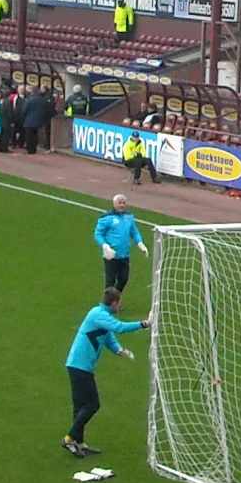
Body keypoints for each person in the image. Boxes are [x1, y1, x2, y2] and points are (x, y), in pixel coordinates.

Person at [63, 285, 148, 458]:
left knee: (80, 406)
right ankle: (69, 438)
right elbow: (119, 327)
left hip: (80, 365)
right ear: (114, 303)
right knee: (92, 404)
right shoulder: (98, 314)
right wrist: (144, 324)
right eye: (119, 303)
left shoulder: (102, 316)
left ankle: (79, 443)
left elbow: (108, 336)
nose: (120, 307)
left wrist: (120, 351)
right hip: (80, 366)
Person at [93, 194, 147, 293]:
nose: (122, 205)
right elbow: (98, 234)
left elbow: (134, 232)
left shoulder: (129, 217)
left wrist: (140, 244)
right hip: (111, 255)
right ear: (114, 204)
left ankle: (114, 298)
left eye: (123, 203)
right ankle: (109, 303)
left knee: (124, 279)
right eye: (119, 203)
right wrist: (105, 246)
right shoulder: (107, 217)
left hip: (124, 255)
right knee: (110, 281)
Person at [18, 86, 53, 154]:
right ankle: (33, 149)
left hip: (29, 121)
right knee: (34, 135)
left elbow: (25, 110)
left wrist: (22, 118)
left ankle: (30, 150)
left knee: (29, 136)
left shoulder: (30, 100)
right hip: (38, 121)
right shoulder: (43, 100)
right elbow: (46, 110)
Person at [0, 86, 19, 154]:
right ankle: (4, 148)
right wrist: (12, 121)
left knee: (2, 134)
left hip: (2, 119)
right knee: (6, 135)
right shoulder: (7, 102)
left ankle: (0, 147)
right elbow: (9, 113)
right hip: (6, 121)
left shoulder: (1, 100)